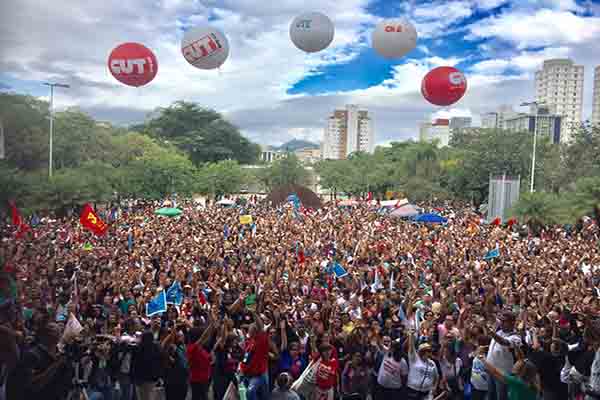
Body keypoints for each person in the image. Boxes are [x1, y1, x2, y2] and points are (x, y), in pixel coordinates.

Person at [6, 321, 71, 400]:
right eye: (52, 329)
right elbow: (33, 385)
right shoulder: (32, 355)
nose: (58, 330)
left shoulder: (59, 355)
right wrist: (55, 365)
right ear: (44, 335)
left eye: (59, 330)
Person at [485, 312, 522, 400]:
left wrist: (490, 332)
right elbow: (489, 312)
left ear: (512, 322)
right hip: (490, 370)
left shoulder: (516, 337)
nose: (501, 323)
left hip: (502, 374)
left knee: (501, 397)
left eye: (504, 321)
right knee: (491, 396)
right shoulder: (499, 331)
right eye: (501, 321)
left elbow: (503, 342)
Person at [240, 309, 270, 400]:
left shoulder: (261, 340)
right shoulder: (250, 342)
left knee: (250, 392)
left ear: (255, 330)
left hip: (258, 375)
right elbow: (246, 358)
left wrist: (253, 313)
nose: (248, 329)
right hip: (247, 374)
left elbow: (261, 327)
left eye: (250, 328)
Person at [405, 327, 439, 400]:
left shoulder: (432, 363)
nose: (430, 352)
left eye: (430, 351)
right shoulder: (414, 359)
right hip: (412, 391)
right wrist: (411, 336)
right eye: (428, 351)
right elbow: (411, 347)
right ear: (422, 351)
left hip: (425, 393)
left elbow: (436, 377)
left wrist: (434, 388)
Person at [131, 330, 163, 400]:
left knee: (142, 396)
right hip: (153, 378)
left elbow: (135, 363)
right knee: (151, 396)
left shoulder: (138, 348)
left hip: (141, 379)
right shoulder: (157, 347)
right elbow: (160, 361)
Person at [187, 323, 215, 400]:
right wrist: (211, 325)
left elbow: (209, 360)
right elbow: (204, 336)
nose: (206, 338)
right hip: (197, 381)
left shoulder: (200, 348)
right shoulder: (192, 348)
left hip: (205, 380)